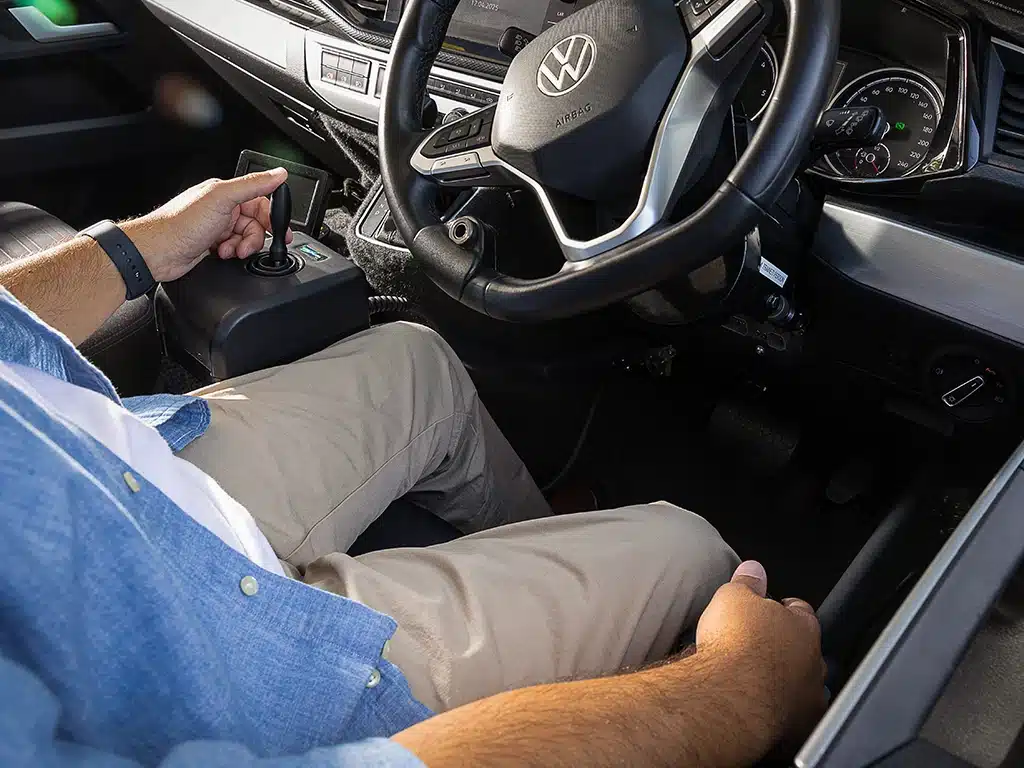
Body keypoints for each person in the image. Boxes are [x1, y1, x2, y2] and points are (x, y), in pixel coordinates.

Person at [0, 168, 826, 767]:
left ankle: (545, 540)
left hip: (139, 471)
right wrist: (737, 691)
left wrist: (141, 244)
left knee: (416, 360)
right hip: (230, 676)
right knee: (688, 552)